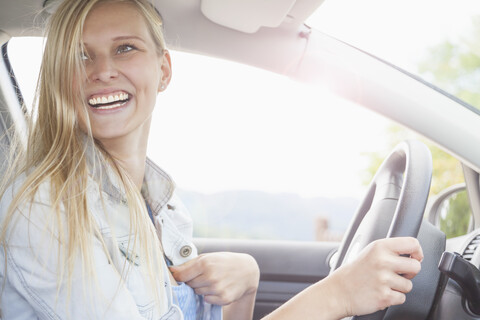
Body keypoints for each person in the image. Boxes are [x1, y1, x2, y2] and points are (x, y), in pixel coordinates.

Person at [0, 0, 423, 319]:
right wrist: (336, 295)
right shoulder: (47, 207)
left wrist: (245, 288)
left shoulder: (161, 205)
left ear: (163, 70)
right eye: (80, 55)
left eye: (125, 48)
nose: (102, 70)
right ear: (59, 76)